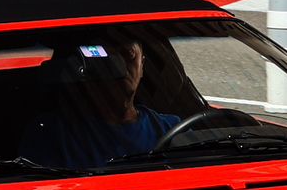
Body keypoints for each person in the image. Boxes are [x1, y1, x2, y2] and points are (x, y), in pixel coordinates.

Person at [17, 41, 180, 169]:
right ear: (86, 68)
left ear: (142, 66)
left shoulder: (173, 129)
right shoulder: (49, 134)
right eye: (106, 58)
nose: (119, 66)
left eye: (128, 54)